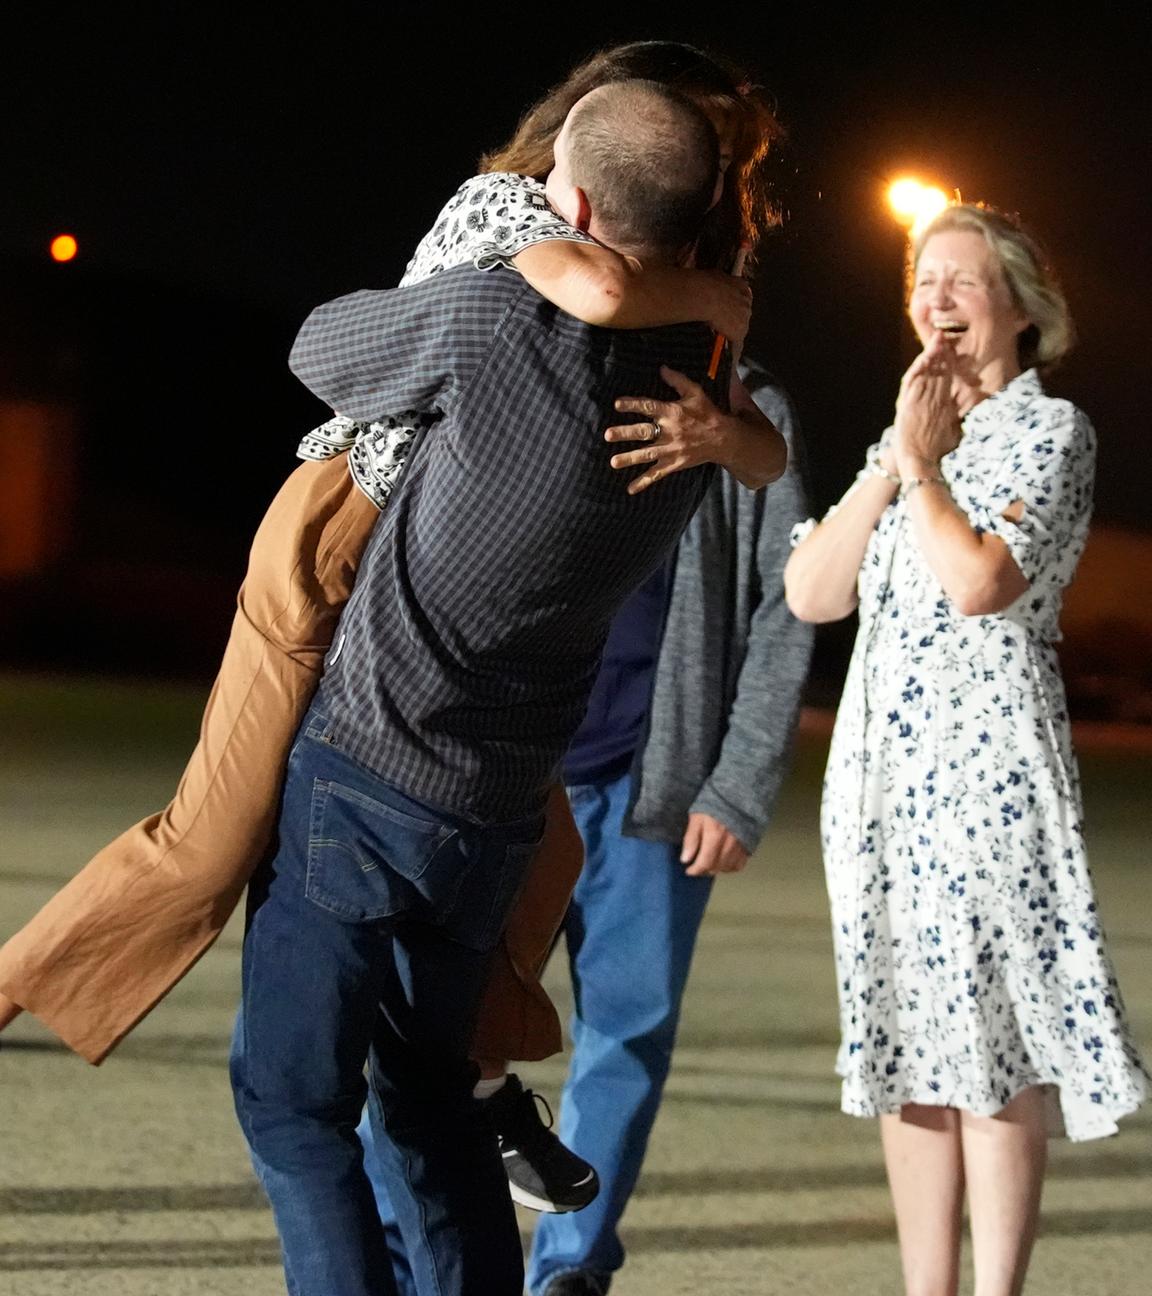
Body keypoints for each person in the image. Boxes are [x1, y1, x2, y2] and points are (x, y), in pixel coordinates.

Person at [0, 40, 778, 1072]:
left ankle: (470, 1082)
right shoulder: (514, 208)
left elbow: (762, 452)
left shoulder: (680, 294)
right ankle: (15, 983)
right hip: (345, 525)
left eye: (716, 151)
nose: (701, 165)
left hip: (447, 576)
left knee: (543, 853)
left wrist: (721, 426)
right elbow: (594, 289)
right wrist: (708, 298)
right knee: (217, 836)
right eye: (690, 134)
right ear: (595, 132)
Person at [235, 78, 783, 1296]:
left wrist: (507, 255)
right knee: (431, 1102)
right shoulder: (702, 393)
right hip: (500, 806)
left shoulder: (495, 316)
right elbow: (758, 444)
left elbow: (319, 350)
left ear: (573, 206)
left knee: (290, 1102)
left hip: (369, 764)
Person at [784, 202, 1148, 1296]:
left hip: (988, 774)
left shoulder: (1053, 431)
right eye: (923, 281)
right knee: (902, 1042)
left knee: (991, 1046)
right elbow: (812, 593)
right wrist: (895, 462)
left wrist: (926, 472)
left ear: (1020, 309)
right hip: (877, 784)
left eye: (963, 281)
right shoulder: (901, 443)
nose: (936, 300)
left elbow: (982, 583)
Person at [523, 358, 812, 1296]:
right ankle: (414, 1258)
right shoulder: (541, 360)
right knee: (433, 1031)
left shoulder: (749, 401)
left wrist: (737, 785)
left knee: (625, 1035)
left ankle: (569, 1267)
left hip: (652, 787)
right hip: (508, 778)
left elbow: (789, 601)